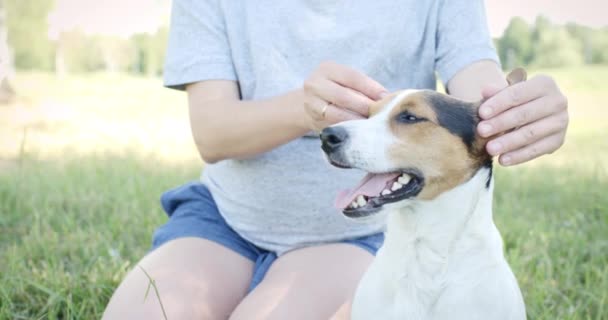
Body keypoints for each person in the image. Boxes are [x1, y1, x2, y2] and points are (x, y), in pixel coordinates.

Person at [103, 1, 568, 319]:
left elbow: (481, 99)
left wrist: (520, 111)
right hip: (225, 221)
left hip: (356, 239)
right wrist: (302, 110)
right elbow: (212, 133)